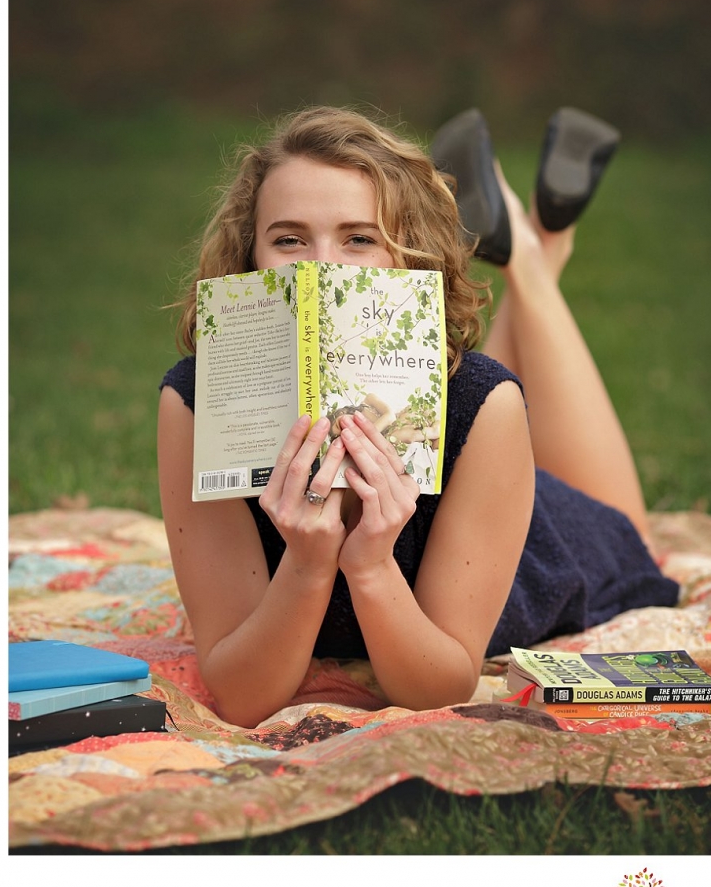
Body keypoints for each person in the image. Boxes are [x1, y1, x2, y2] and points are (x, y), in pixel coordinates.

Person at [158, 105, 678, 728]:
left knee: (630, 533)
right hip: (475, 454)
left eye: (359, 238)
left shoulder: (488, 403)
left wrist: (372, 565)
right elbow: (243, 698)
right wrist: (307, 563)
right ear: (250, 259)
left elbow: (441, 689)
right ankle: (531, 249)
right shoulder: (193, 403)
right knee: (484, 393)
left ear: (407, 260)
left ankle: (536, 259)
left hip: (536, 544)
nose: (321, 267)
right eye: (289, 239)